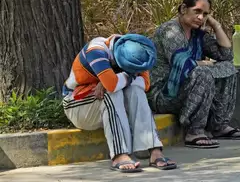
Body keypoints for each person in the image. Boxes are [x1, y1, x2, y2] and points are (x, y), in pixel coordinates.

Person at [148, 0, 240, 149]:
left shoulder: (197, 34)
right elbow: (181, 64)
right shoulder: (170, 30)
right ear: (183, 9)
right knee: (202, 72)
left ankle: (219, 125)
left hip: (185, 88)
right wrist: (203, 64)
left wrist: (216, 26)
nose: (201, 18)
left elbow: (226, 55)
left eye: (205, 14)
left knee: (228, 68)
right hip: (164, 94)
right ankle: (194, 131)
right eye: (197, 11)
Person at [62, 34, 176, 173]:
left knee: (136, 91)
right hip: (78, 105)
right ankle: (119, 154)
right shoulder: (96, 51)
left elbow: (145, 85)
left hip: (107, 102)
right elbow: (111, 86)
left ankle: (154, 151)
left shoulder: (137, 50)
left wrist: (119, 78)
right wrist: (127, 77)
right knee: (112, 93)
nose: (136, 72)